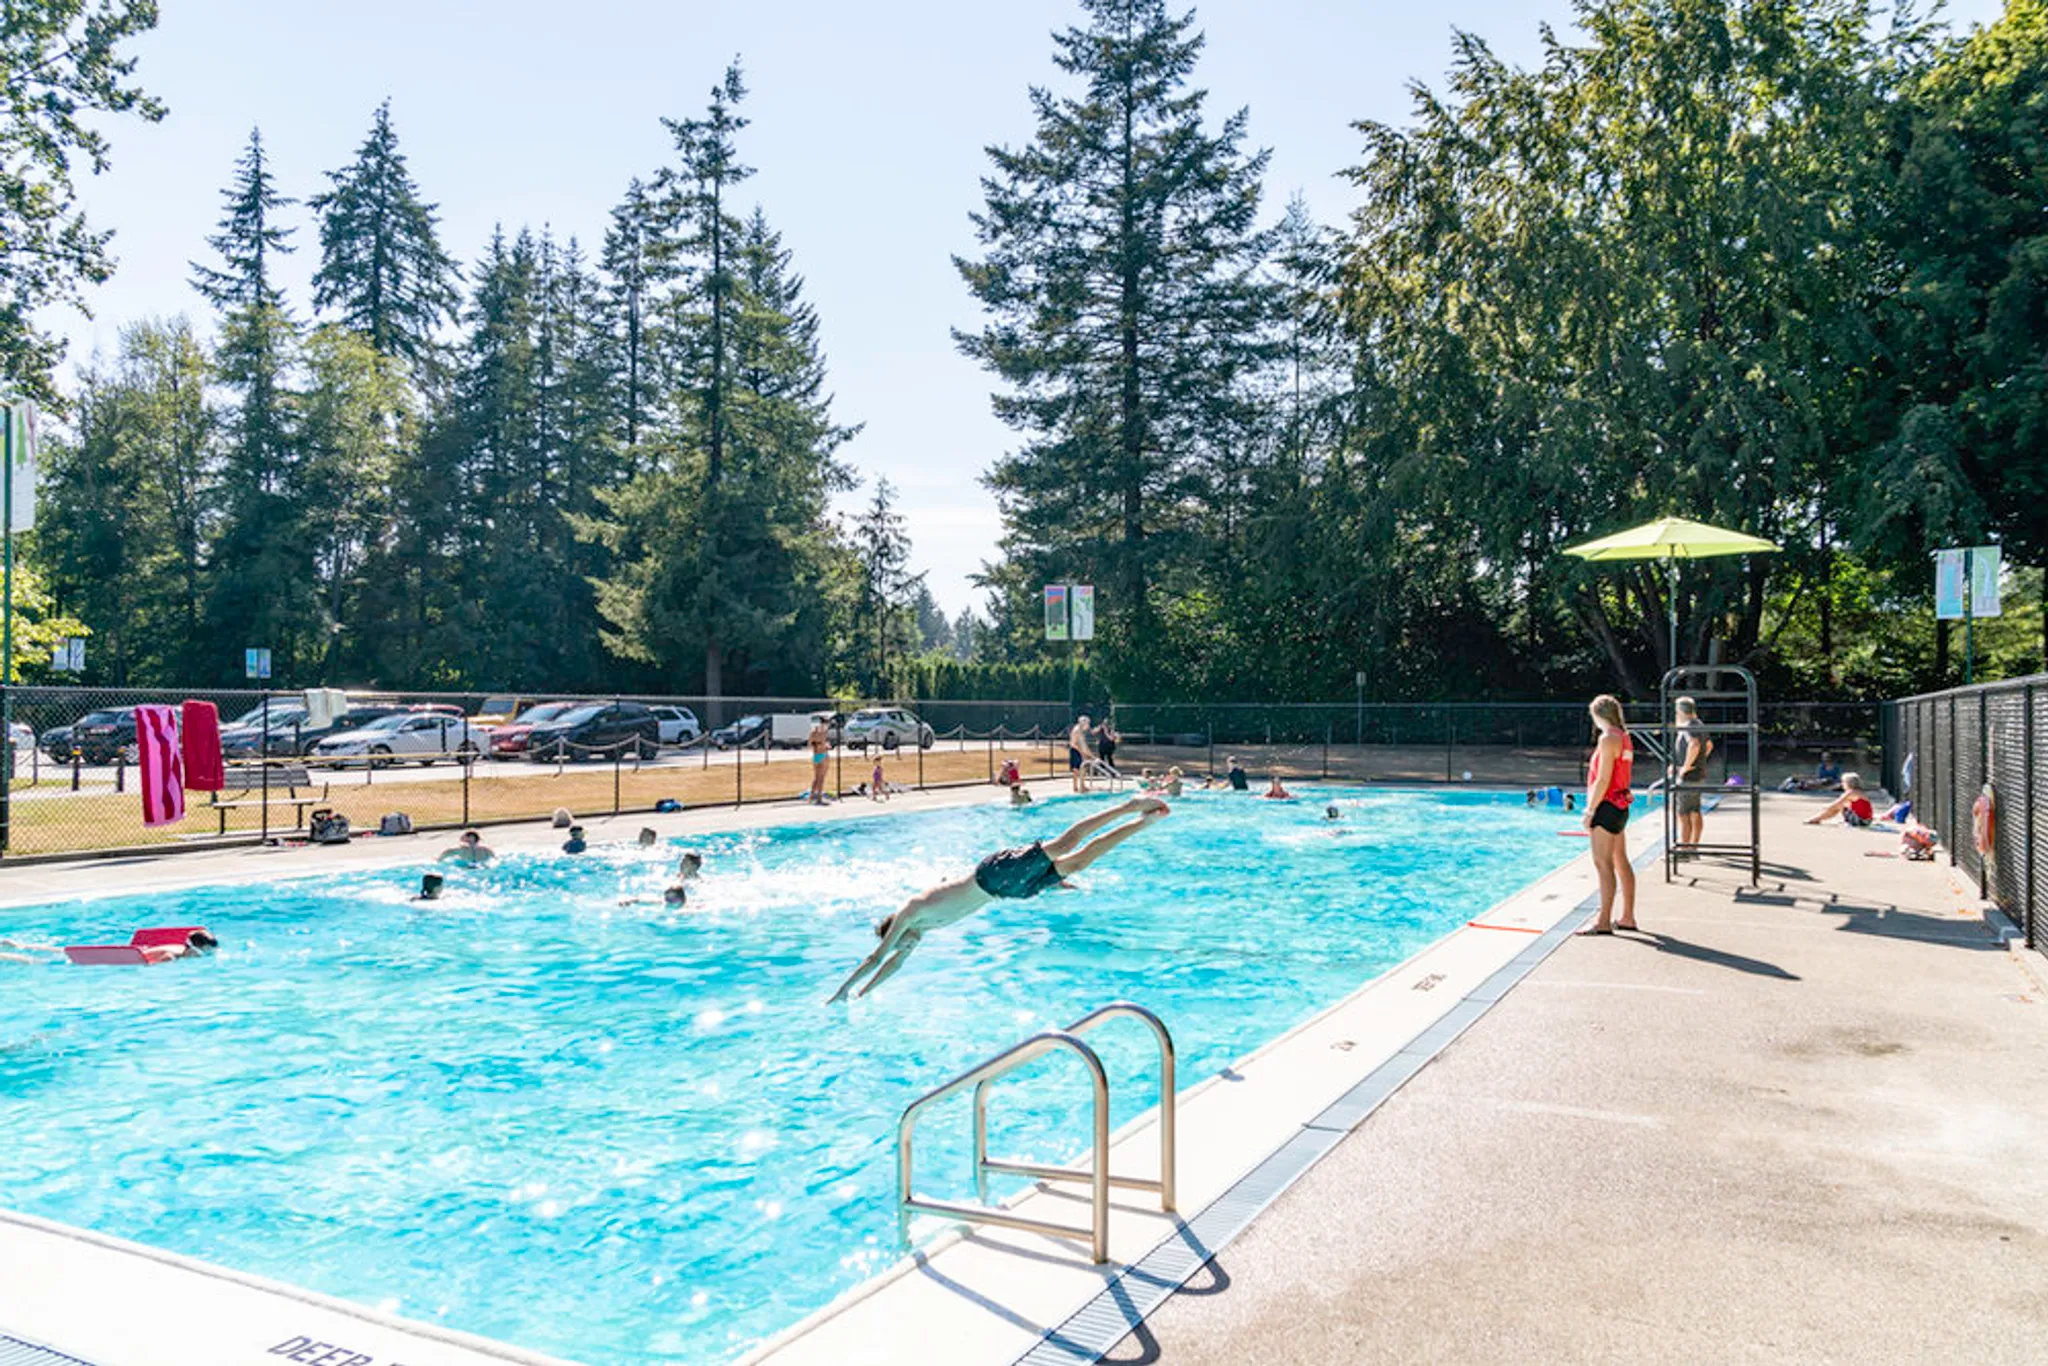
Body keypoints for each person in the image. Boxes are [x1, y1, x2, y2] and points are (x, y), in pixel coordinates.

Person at [829, 796, 1170, 1002]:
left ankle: (1129, 806)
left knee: (1064, 845)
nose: (903, 949)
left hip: (991, 875)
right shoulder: (923, 930)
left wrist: (843, 989)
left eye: (899, 943)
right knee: (1078, 863)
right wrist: (863, 994)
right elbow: (893, 964)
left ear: (896, 931)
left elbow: (877, 957)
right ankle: (1144, 823)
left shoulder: (911, 911)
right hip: (1006, 892)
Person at [1576, 694, 1638, 935]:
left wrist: (1590, 811)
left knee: (1603, 864)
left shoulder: (1608, 738)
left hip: (1606, 806)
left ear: (1597, 715)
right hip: (1620, 805)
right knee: (1620, 861)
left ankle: (1603, 922)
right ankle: (1627, 917)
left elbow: (1603, 779)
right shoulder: (1624, 737)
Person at [1671, 696, 1712, 849]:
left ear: (1680, 711)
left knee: (1683, 813)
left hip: (1689, 776)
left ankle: (1685, 848)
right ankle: (1693, 846)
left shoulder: (1689, 726)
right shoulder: (1699, 724)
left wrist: (1685, 767)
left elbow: (1694, 744)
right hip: (1698, 773)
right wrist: (1698, 761)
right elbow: (1709, 745)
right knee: (1694, 811)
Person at [1806, 773, 1875, 827]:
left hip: (1861, 821)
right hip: (1866, 821)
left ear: (1849, 783)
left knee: (1839, 806)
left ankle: (1815, 819)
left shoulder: (1851, 792)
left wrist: (1825, 807)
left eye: (1843, 782)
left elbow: (1836, 803)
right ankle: (1816, 819)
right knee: (1842, 805)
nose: (1842, 784)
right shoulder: (1858, 792)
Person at [1068, 714, 1097, 793]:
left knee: (1083, 769)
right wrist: (1081, 752)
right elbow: (1073, 744)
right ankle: (1076, 787)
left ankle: (1082, 786)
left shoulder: (1080, 731)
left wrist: (1091, 755)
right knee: (1076, 770)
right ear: (1083, 723)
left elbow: (1084, 745)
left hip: (1079, 751)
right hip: (1075, 751)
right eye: (1087, 724)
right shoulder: (1076, 730)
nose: (1088, 726)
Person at [807, 717, 831, 805]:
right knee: (820, 778)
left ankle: (812, 796)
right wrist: (820, 745)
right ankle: (818, 798)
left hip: (818, 755)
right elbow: (811, 743)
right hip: (821, 755)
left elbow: (810, 744)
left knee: (818, 778)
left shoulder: (817, 732)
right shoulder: (820, 732)